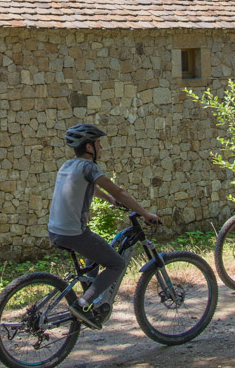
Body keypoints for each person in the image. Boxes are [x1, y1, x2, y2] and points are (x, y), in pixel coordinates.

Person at [47, 123, 161, 326]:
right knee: (116, 263)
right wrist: (144, 213)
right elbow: (120, 192)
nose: (102, 148)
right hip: (74, 233)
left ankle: (90, 298)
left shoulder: (68, 165)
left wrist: (110, 201)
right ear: (89, 147)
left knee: (97, 255)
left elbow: (92, 188)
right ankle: (83, 304)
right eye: (99, 143)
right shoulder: (89, 167)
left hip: (56, 230)